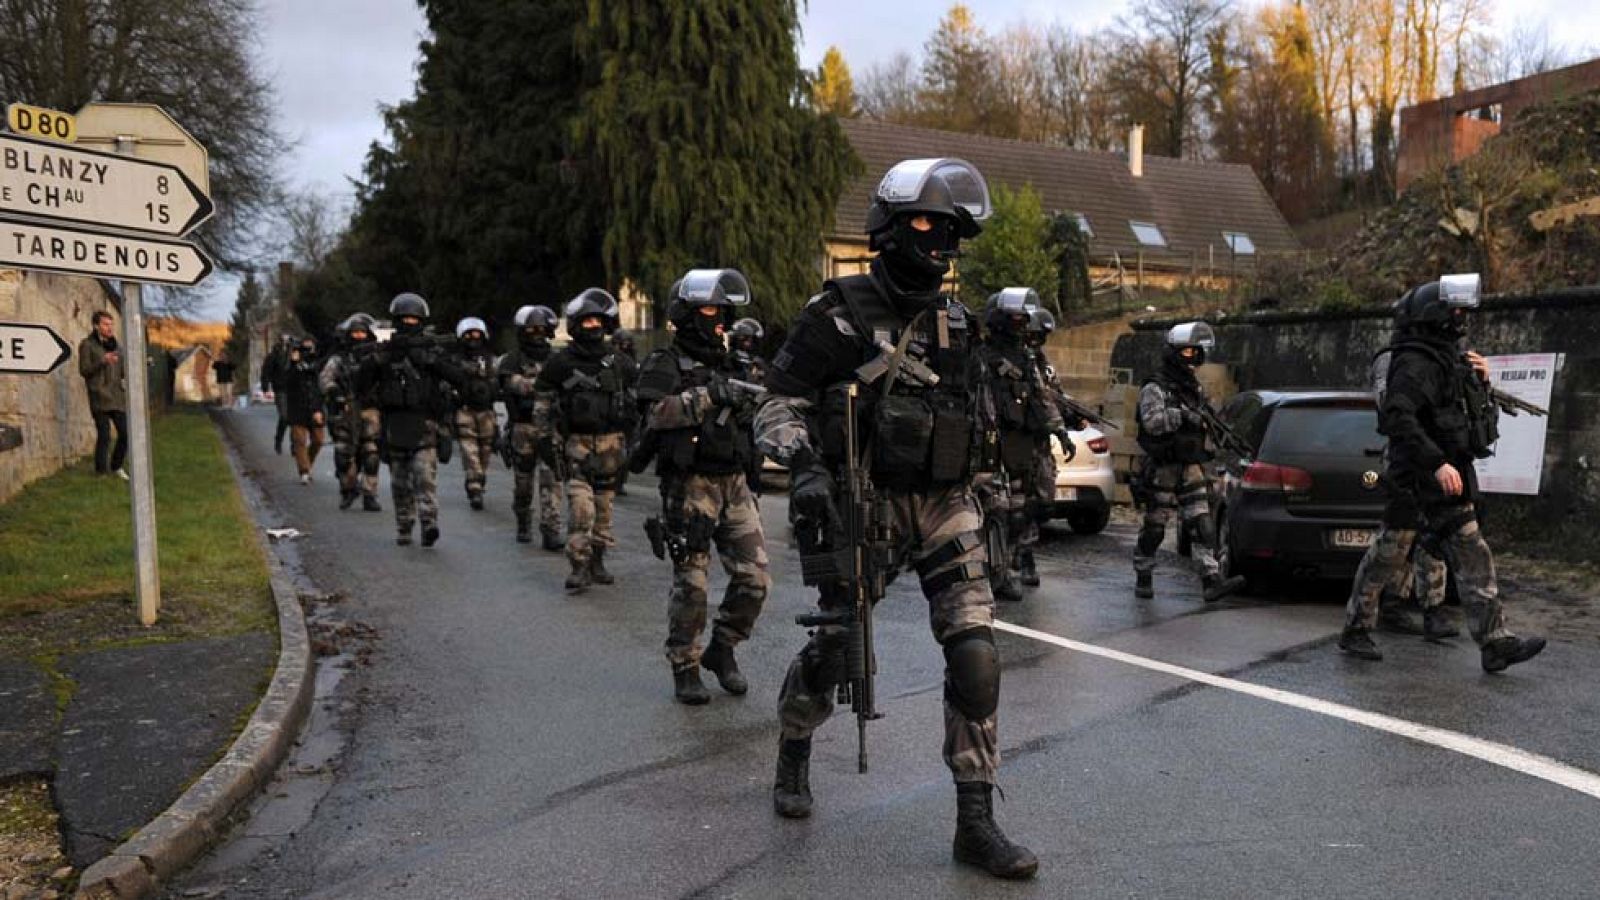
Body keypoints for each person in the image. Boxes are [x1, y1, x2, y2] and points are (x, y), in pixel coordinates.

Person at [754, 158, 1037, 879]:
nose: (938, 241)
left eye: (950, 230)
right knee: (836, 652)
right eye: (923, 224)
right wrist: (808, 467)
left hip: (943, 503)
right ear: (887, 228)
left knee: (976, 656)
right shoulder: (836, 316)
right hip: (864, 501)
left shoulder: (959, 324)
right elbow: (774, 404)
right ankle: (794, 742)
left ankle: (974, 821)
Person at [1338, 274, 1544, 672]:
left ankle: (1494, 642)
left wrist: (1482, 380)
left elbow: (1464, 413)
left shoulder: (1447, 358)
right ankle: (1356, 627)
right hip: (1415, 475)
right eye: (1456, 311)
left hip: (1449, 475)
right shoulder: (1413, 362)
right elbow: (1399, 418)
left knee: (1473, 551)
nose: (1463, 318)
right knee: (1390, 553)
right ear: (1435, 315)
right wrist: (1435, 463)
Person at [635, 269, 769, 705]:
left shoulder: (735, 364)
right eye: (710, 309)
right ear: (686, 314)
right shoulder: (664, 363)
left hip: (734, 482)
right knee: (692, 583)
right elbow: (655, 413)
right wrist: (712, 396)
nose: (718, 319)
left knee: (755, 579)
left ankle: (722, 648)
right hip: (689, 485)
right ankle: (685, 665)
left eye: (722, 311)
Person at [1132, 322, 1247, 603]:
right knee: (1155, 527)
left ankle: (1211, 579)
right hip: (1163, 467)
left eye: (1196, 352)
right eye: (1186, 351)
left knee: (1202, 523)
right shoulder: (1155, 387)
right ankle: (1143, 573)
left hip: (1190, 465)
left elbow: (1209, 418)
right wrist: (1181, 416)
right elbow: (1151, 423)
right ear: (1173, 352)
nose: (1192, 357)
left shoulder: (1193, 387)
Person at [532, 289, 637, 592]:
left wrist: (636, 438)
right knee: (581, 509)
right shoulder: (560, 363)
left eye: (597, 321)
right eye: (587, 322)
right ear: (577, 325)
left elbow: (639, 400)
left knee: (604, 510)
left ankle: (597, 560)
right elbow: (543, 401)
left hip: (612, 447)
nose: (593, 327)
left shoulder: (620, 363)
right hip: (576, 446)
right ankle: (578, 566)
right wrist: (544, 438)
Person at [975, 288, 1073, 599]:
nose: (1021, 324)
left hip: (1019, 445)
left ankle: (1006, 567)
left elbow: (1042, 398)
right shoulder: (980, 356)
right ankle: (994, 573)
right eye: (1015, 318)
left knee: (1020, 512)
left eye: (1023, 319)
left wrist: (1060, 431)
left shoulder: (1027, 359)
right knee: (995, 511)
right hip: (989, 447)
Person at [356, 293, 464, 547]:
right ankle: (404, 525)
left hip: (425, 424)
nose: (409, 322)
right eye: (404, 318)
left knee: (424, 477)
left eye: (414, 319)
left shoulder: (431, 351)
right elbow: (361, 385)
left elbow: (459, 378)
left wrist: (431, 361)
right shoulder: (386, 353)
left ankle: (429, 523)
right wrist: (378, 359)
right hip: (394, 425)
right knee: (399, 481)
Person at [499, 305, 565, 547]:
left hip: (551, 428)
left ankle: (551, 529)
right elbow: (514, 384)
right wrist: (544, 385)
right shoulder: (513, 359)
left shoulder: (557, 359)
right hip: (523, 428)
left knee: (552, 480)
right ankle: (523, 521)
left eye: (541, 329)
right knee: (524, 483)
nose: (536, 333)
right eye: (531, 329)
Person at [320, 314, 383, 512]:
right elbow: (325, 378)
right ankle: (348, 490)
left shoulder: (376, 357)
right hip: (346, 409)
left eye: (362, 332)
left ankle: (370, 494)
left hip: (370, 411)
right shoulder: (339, 359)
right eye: (355, 332)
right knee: (343, 455)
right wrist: (335, 393)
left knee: (371, 455)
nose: (358, 336)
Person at [452, 317, 499, 510]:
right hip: (465, 411)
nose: (473, 337)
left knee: (485, 451)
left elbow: (498, 383)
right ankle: (474, 486)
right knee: (469, 450)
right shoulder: (456, 361)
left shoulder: (491, 360)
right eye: (468, 334)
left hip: (487, 412)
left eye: (476, 333)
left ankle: (479, 479)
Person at [78, 311, 127, 479]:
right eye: (106, 324)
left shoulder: (117, 347)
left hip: (117, 397)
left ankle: (117, 466)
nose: (110, 328)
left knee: (125, 433)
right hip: (99, 396)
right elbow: (84, 370)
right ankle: (101, 472)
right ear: (96, 326)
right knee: (104, 435)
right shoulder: (87, 345)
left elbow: (122, 372)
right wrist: (102, 361)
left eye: (111, 324)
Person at [283, 336, 326, 485]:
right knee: (299, 441)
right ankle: (304, 471)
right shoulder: (293, 365)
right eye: (305, 348)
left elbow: (321, 387)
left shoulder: (318, 364)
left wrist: (319, 408)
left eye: (310, 347)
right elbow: (287, 382)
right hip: (297, 409)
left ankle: (307, 463)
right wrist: (294, 362)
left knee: (318, 440)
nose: (308, 351)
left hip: (315, 407)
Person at [611, 328, 640, 498]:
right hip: (623, 409)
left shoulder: (624, 361)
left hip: (624, 409)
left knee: (623, 447)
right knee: (624, 447)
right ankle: (618, 482)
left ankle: (618, 481)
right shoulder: (626, 362)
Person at [262, 333, 295, 454]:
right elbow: (266, 371)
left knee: (295, 418)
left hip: (294, 389)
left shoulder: (296, 354)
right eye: (283, 341)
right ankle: (278, 440)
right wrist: (265, 387)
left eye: (288, 342)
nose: (285, 344)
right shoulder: (273, 356)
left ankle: (295, 445)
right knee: (285, 417)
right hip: (280, 388)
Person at [726, 317, 768, 384]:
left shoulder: (756, 361)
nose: (748, 343)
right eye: (747, 338)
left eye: (750, 339)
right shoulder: (727, 351)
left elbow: (761, 377)